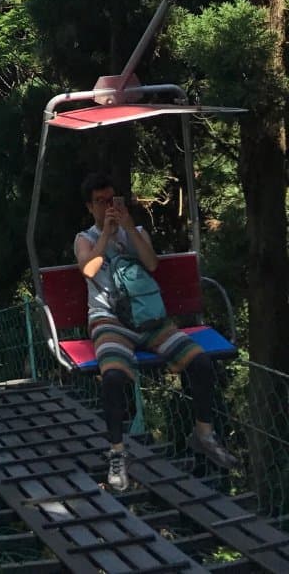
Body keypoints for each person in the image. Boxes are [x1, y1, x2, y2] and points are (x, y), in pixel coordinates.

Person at [75, 171, 234, 493]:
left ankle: (203, 433)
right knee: (114, 377)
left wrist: (128, 226)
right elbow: (89, 270)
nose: (107, 207)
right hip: (110, 320)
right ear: (90, 207)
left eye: (112, 200)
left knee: (200, 362)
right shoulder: (85, 238)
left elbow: (152, 263)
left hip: (150, 320)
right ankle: (118, 452)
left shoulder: (137, 232)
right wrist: (105, 235)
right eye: (100, 203)